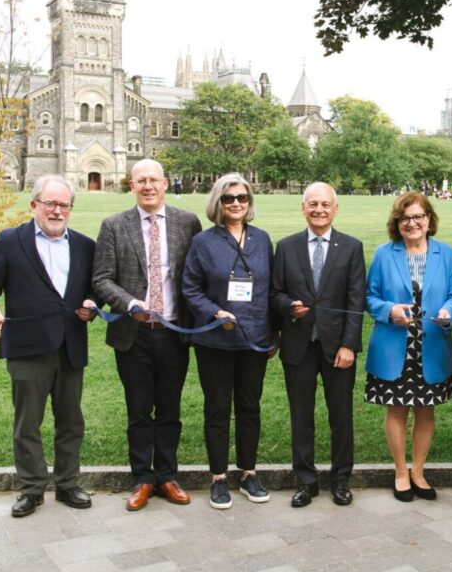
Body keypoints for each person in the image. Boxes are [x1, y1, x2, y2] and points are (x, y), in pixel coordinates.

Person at [0, 175, 97, 518]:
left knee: (71, 420)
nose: (57, 211)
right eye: (50, 204)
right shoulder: (11, 241)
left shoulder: (86, 245)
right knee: (28, 422)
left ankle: (69, 483)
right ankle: (32, 488)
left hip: (71, 345)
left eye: (64, 205)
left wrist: (92, 303)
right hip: (27, 346)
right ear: (35, 205)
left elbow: (96, 289)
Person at [93, 159, 202, 511]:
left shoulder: (188, 223)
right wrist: (129, 303)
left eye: (153, 180)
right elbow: (101, 279)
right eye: (141, 181)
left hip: (173, 332)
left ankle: (167, 475)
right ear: (132, 186)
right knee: (139, 410)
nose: (148, 186)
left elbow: (197, 275)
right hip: (133, 333)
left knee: (169, 408)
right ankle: (142, 478)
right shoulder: (113, 225)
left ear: (165, 184)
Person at [182, 173, 275, 510]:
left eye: (242, 198)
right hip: (215, 342)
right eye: (228, 198)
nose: (236, 203)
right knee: (218, 409)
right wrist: (213, 312)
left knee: (250, 407)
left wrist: (273, 334)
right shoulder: (203, 243)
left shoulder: (262, 240)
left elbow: (270, 290)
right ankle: (218, 477)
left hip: (254, 340)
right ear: (218, 203)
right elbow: (190, 288)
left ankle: (249, 473)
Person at [272, 182, 366, 508]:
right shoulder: (285, 247)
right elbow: (275, 293)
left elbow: (356, 301)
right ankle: (306, 481)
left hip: (337, 347)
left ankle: (341, 480)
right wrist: (288, 307)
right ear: (303, 208)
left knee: (341, 416)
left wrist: (349, 346)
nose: (319, 210)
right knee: (301, 416)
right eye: (312, 204)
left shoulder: (351, 247)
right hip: (298, 346)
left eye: (325, 204)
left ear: (335, 209)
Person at [365, 192, 452, 501]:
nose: (412, 223)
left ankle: (419, 471)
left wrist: (449, 311)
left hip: (431, 345)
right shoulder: (383, 254)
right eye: (405, 218)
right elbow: (370, 297)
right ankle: (400, 472)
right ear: (397, 223)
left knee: (425, 409)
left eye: (418, 217)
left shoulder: (447, 255)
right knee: (396, 409)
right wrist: (389, 310)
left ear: (429, 220)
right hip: (394, 345)